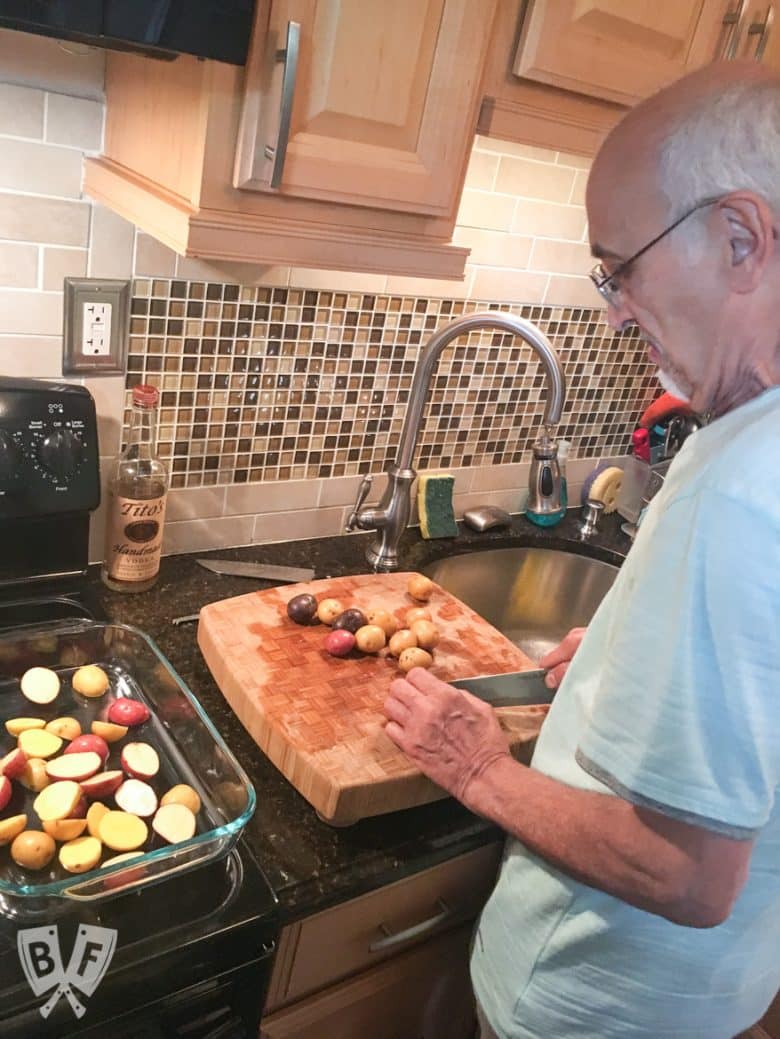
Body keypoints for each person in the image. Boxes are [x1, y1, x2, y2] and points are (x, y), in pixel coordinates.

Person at [382, 59, 780, 1039]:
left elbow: (687, 873)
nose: (612, 307)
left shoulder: (740, 491)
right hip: (718, 996)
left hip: (598, 1005)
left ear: (740, 239)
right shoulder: (748, 438)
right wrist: (611, 672)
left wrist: (481, 771)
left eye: (620, 265)